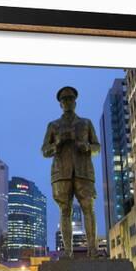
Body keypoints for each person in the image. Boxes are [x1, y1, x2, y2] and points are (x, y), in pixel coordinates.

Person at [41, 86, 100, 258]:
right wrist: (57, 143)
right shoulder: (53, 125)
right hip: (61, 173)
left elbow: (97, 147)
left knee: (88, 208)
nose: (67, 102)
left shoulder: (86, 123)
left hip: (84, 171)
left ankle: (92, 249)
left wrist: (87, 146)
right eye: (64, 99)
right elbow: (44, 150)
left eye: (70, 98)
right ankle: (67, 252)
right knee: (64, 210)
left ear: (75, 102)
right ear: (60, 104)